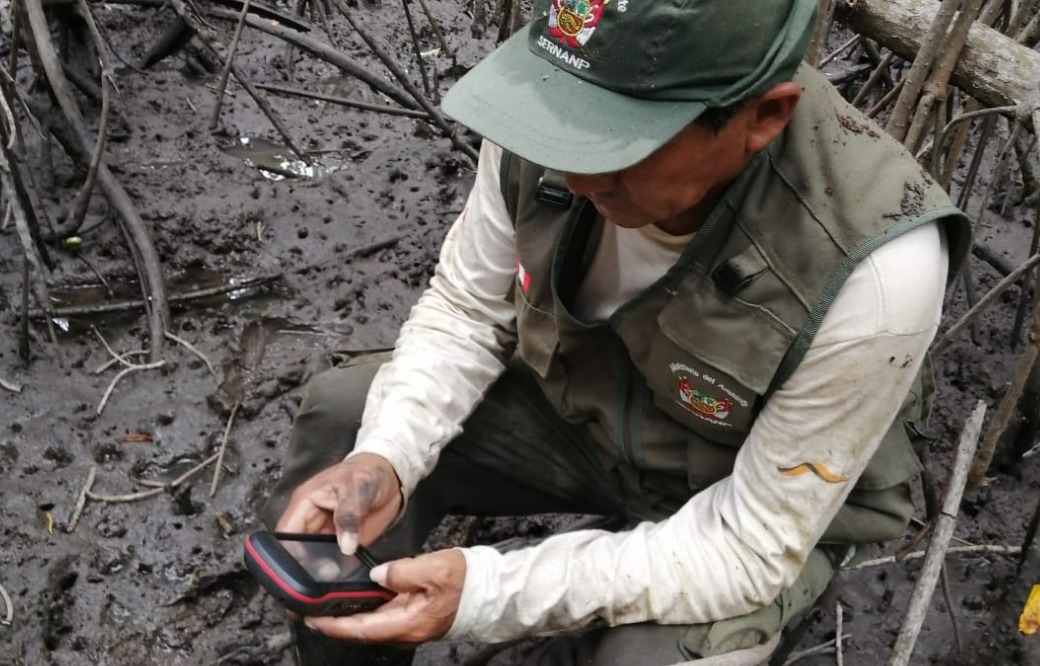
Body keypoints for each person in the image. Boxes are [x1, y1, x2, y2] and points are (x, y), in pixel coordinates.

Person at [260, 1, 972, 664]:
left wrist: (487, 593)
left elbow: (750, 545)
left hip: (735, 488)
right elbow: (467, 311)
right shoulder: (544, 116)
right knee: (348, 421)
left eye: (615, 141)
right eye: (566, 119)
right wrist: (387, 456)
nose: (568, 172)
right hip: (579, 415)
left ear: (763, 117)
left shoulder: (878, 266)